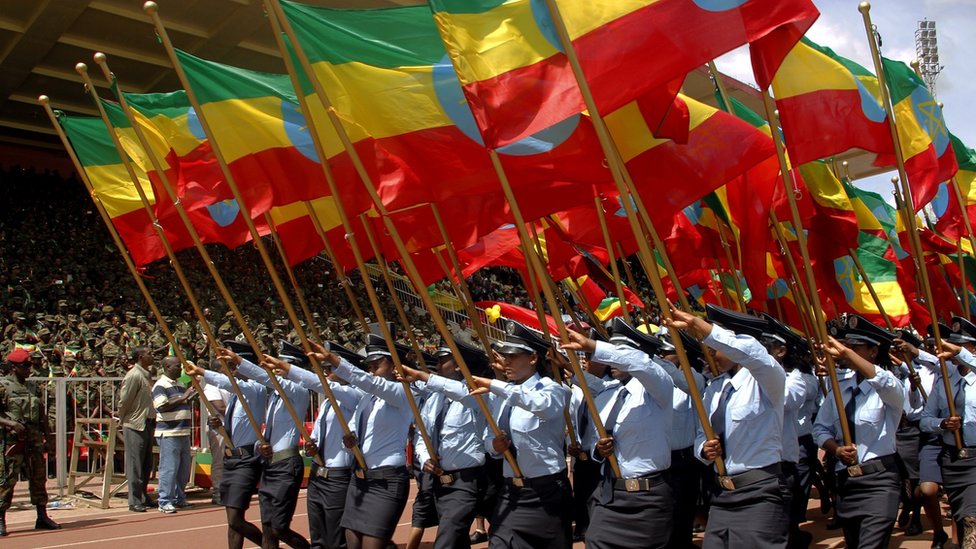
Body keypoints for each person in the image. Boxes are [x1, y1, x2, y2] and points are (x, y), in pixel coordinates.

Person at [666, 304, 789, 549]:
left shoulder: (767, 378)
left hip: (759, 493)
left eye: (716, 347)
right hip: (722, 494)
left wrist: (699, 326)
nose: (711, 353)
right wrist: (704, 450)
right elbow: (702, 433)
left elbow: (754, 353)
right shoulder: (716, 388)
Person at [561, 318, 676, 549]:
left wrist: (596, 348)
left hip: (647, 499)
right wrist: (599, 450)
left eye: (618, 352)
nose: (609, 359)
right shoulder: (609, 393)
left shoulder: (659, 388)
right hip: (610, 495)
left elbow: (643, 364)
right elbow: (595, 442)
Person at [464, 320, 573, 548]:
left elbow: (540, 404)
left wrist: (496, 385)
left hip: (546, 491)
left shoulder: (551, 388)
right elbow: (487, 439)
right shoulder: (501, 394)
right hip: (511, 491)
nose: (506, 362)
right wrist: (495, 446)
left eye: (513, 356)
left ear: (533, 358)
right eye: (505, 356)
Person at [307, 332, 414, 549]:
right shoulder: (367, 399)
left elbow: (369, 383)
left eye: (377, 365)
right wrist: (351, 440)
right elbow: (355, 428)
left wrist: (335, 361)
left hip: (386, 481)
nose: (372, 371)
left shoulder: (401, 393)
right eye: (370, 366)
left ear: (395, 367)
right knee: (352, 542)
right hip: (360, 480)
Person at [813, 315, 905, 549]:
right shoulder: (839, 387)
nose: (847, 350)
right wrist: (835, 449)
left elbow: (882, 380)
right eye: (847, 346)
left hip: (880, 481)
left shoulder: (889, 388)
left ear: (873, 351)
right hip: (847, 482)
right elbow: (820, 429)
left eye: (855, 347)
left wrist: (846, 356)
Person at [397, 338, 491, 549]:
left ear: (458, 364)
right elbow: (422, 434)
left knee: (446, 541)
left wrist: (424, 376)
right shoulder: (434, 399)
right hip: (440, 483)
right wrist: (424, 458)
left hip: (466, 482)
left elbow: (462, 392)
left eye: (443, 360)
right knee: (456, 541)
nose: (437, 365)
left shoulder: (475, 394)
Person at [275, 340, 365, 549]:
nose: (325, 372)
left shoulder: (353, 396)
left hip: (338, 477)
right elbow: (316, 435)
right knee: (317, 536)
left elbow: (327, 387)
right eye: (323, 368)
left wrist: (289, 370)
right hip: (318, 473)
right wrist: (312, 447)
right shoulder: (326, 403)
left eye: (329, 368)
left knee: (335, 538)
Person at [185, 342, 267, 549]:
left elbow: (230, 384)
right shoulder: (236, 397)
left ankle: (268, 546)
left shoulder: (254, 389)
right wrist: (221, 425)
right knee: (232, 521)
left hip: (246, 460)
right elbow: (236, 427)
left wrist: (203, 372)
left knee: (236, 520)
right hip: (232, 458)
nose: (230, 370)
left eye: (232, 365)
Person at [244, 341, 311, 549]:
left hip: (286, 465)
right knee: (267, 526)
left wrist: (240, 362)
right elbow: (268, 432)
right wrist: (259, 445)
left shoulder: (298, 392)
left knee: (278, 527)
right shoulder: (274, 396)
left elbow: (268, 378)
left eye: (282, 366)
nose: (276, 370)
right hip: (270, 465)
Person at [921, 333, 976, 548]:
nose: (953, 350)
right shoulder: (945, 380)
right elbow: (926, 420)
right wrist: (942, 424)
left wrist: (961, 354)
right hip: (952, 459)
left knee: (972, 518)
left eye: (960, 346)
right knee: (962, 515)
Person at [0, 348, 62, 536]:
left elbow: (42, 414)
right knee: (7, 479)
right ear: (13, 367)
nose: (30, 369)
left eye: (31, 365)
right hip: (12, 439)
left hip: (33, 437)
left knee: (38, 477)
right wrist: (10, 423)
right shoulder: (3, 386)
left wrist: (49, 438)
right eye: (25, 365)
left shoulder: (34, 387)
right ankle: (1, 519)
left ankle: (42, 516)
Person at [151, 356, 198, 514]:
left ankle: (179, 497)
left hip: (183, 431)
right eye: (177, 366)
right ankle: (164, 500)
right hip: (169, 432)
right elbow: (162, 406)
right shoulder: (160, 385)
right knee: (169, 468)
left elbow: (182, 402)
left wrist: (189, 397)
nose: (180, 369)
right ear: (167, 368)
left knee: (183, 469)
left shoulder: (180, 384)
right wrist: (183, 397)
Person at [116, 345, 157, 512]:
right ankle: (134, 499)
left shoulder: (147, 374)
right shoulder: (134, 375)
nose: (152, 355)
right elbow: (124, 400)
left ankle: (143, 494)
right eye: (149, 353)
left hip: (147, 422)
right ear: (140, 357)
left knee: (147, 462)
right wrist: (123, 418)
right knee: (136, 463)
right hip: (134, 423)